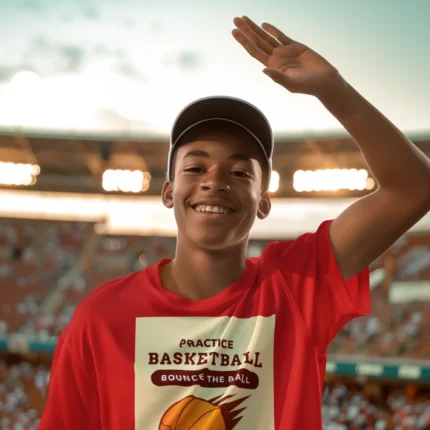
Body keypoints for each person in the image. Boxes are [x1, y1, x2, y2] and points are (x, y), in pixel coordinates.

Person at [39, 16, 430, 430]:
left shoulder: (295, 287)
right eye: (195, 167)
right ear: (169, 191)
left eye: (240, 172)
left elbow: (415, 187)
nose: (214, 182)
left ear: (263, 203)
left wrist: (333, 90)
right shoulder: (100, 318)